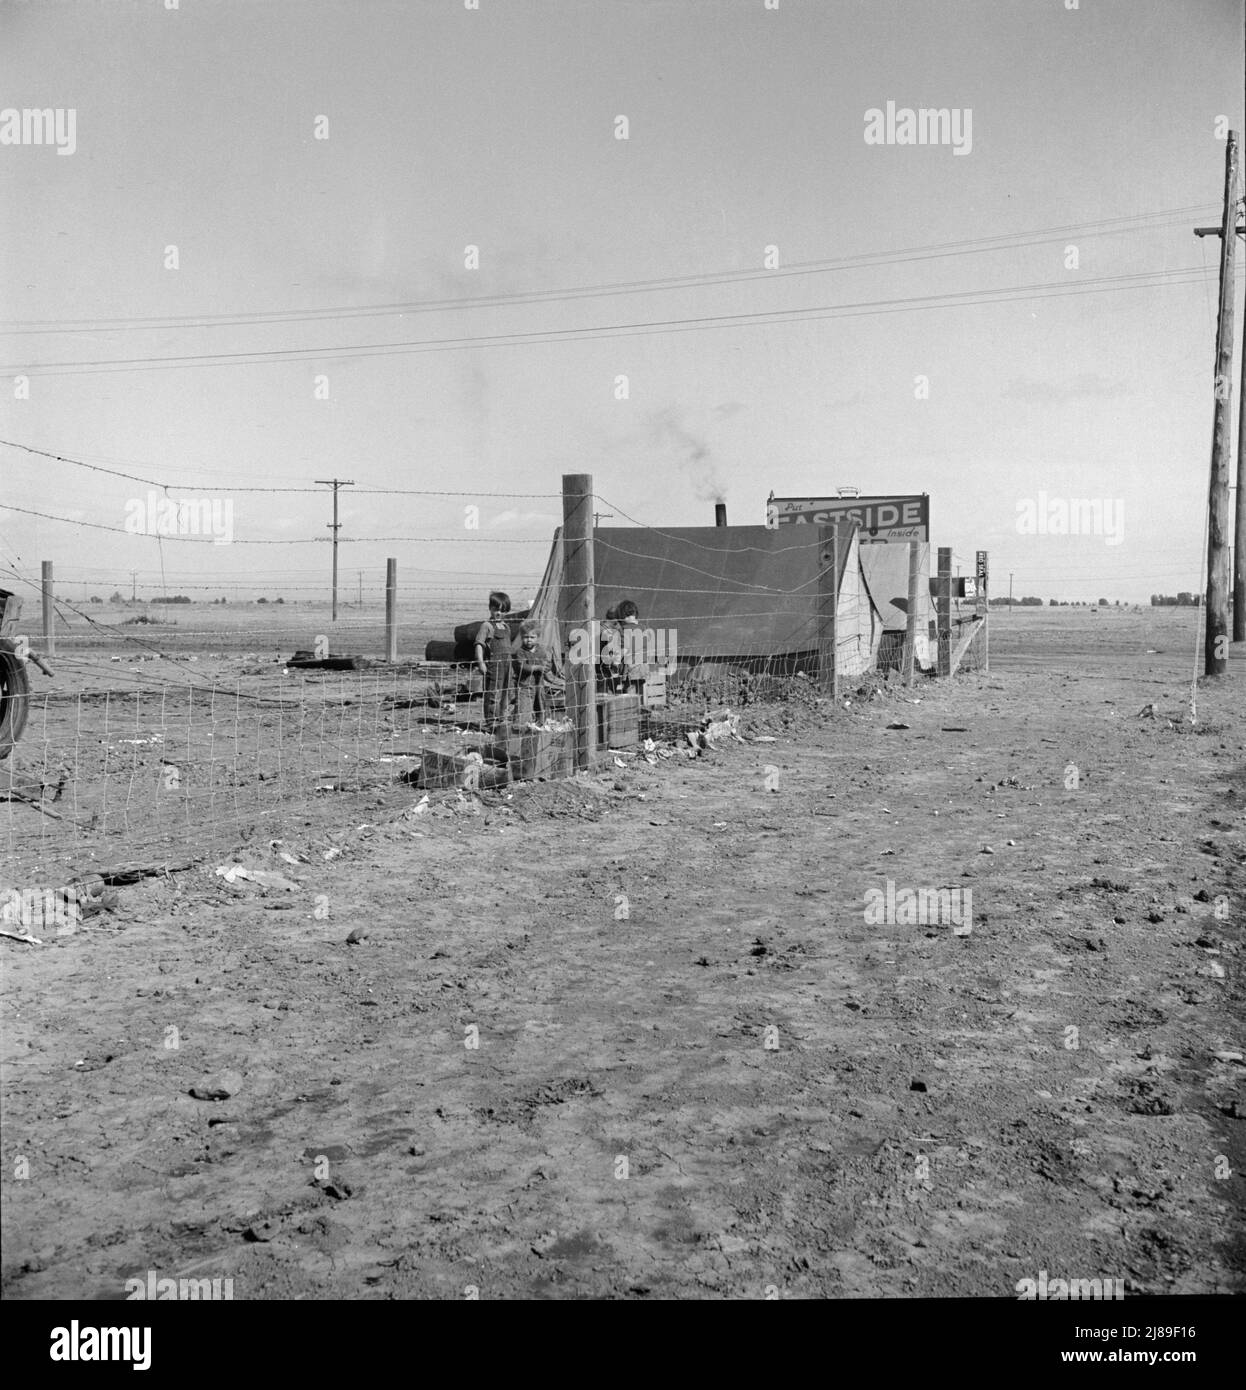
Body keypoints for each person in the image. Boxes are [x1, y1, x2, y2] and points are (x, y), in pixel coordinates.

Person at [474, 591, 514, 732]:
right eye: (496, 609)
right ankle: (491, 723)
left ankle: (502, 720)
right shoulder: (487, 626)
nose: (499, 613)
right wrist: (481, 663)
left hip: (507, 664)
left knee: (506, 693)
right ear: (490, 608)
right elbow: (479, 644)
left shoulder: (506, 627)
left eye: (503, 611)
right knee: (493, 694)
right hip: (494, 664)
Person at [513, 619, 553, 727]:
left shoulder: (541, 651)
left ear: (537, 637)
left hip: (539, 686)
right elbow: (521, 666)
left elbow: (547, 663)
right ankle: (520, 728)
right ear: (521, 637)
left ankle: (539, 727)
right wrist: (537, 667)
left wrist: (546, 667)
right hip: (525, 686)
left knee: (540, 707)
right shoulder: (520, 652)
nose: (529, 640)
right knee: (524, 709)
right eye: (526, 637)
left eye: (532, 637)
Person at [598, 598, 642, 693]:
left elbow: (623, 649)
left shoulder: (621, 631)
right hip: (638, 669)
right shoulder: (641, 628)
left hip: (627, 669)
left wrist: (616, 663)